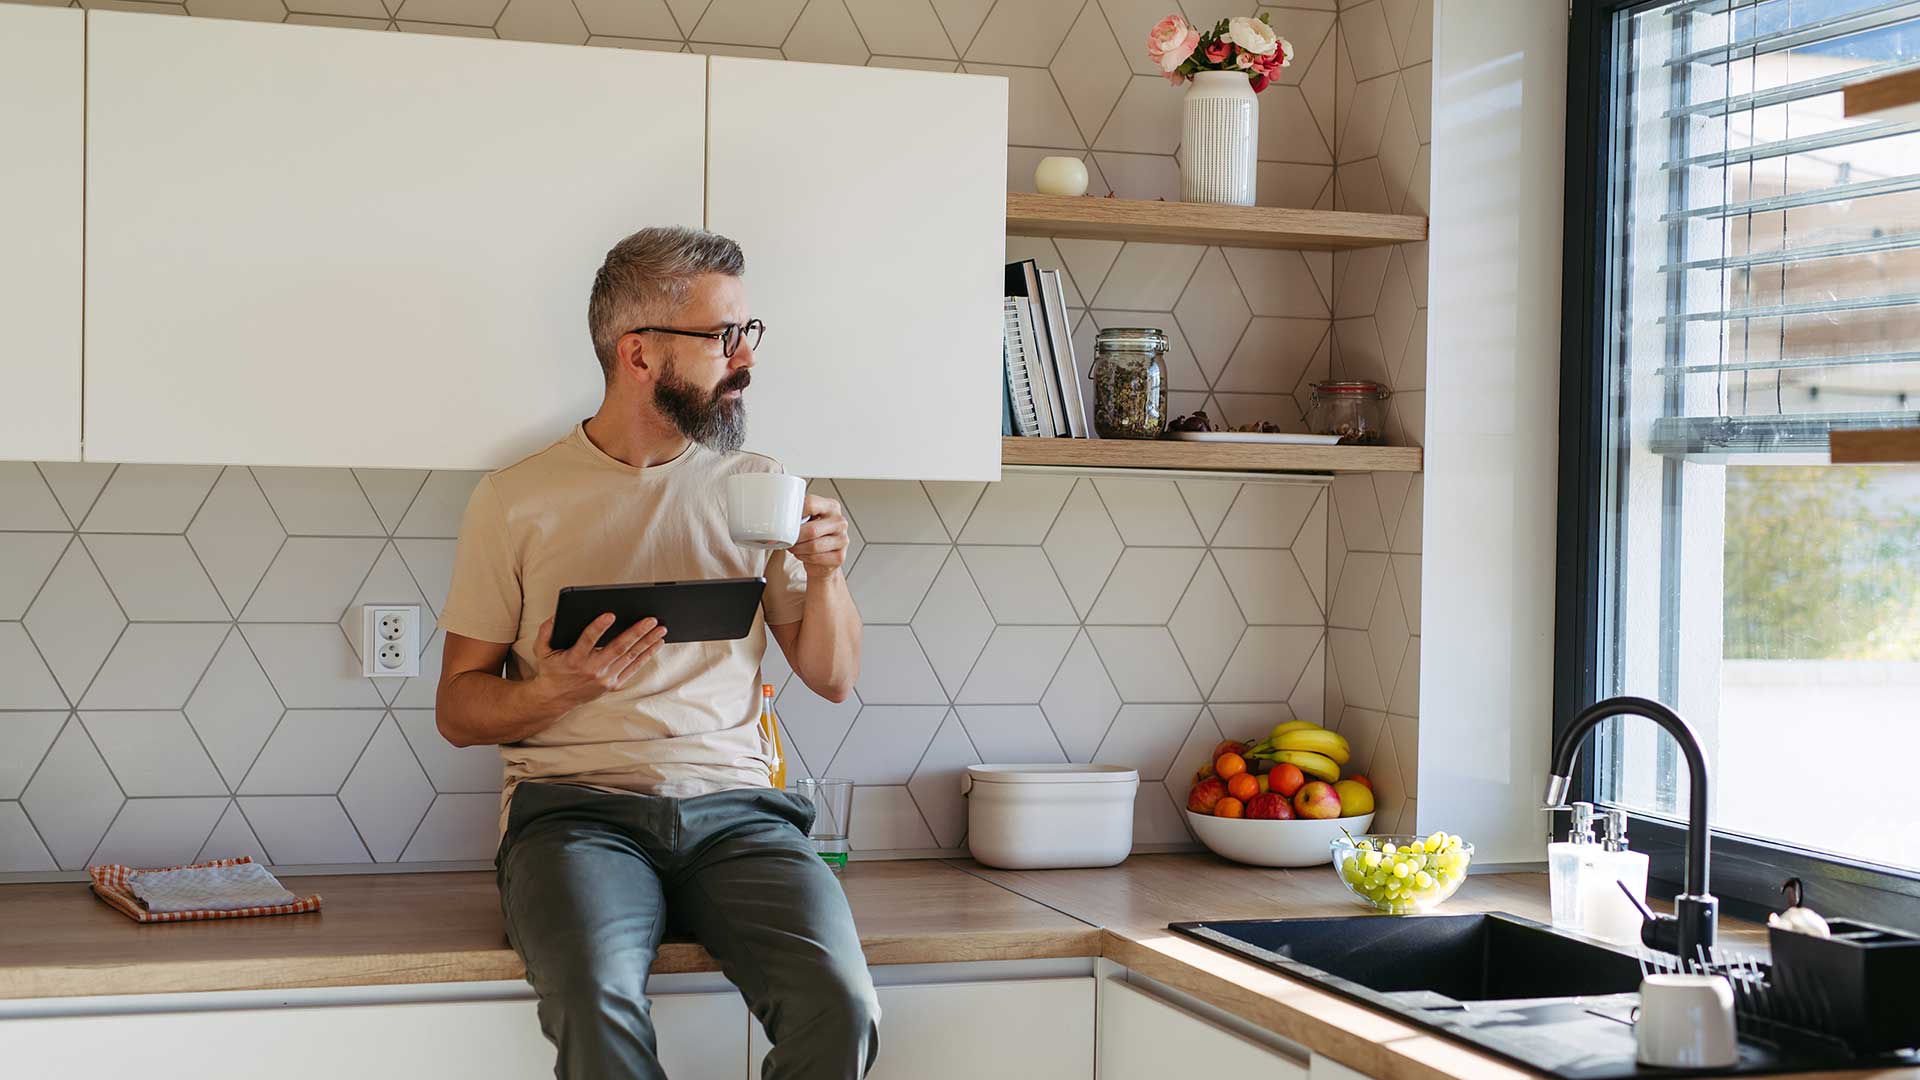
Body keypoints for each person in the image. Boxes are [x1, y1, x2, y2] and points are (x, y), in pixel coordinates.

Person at [432, 225, 875, 1080]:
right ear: (638, 354)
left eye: (749, 332)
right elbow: (458, 708)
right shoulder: (514, 501)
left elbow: (832, 676)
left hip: (742, 815)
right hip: (574, 817)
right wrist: (555, 689)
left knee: (841, 1005)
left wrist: (826, 574)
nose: (744, 358)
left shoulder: (760, 487)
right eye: (722, 337)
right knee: (596, 1003)